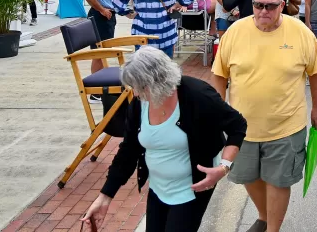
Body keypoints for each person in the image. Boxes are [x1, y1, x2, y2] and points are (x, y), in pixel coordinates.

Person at [81, 46, 247, 232]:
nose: (135, 94)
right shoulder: (139, 103)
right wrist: (104, 197)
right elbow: (128, 150)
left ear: (160, 81)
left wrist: (223, 167)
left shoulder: (198, 95)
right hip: (158, 188)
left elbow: (238, 126)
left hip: (192, 188)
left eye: (140, 88)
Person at [211, 0, 317, 232]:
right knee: (247, 176)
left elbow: (316, 73)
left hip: (286, 126)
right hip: (242, 129)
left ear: (282, 6)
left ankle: (272, 228)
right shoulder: (235, 32)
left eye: (270, 6)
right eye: (258, 5)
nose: (263, 11)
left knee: (278, 181)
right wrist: (220, 115)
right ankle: (264, 216)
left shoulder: (300, 32)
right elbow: (219, 75)